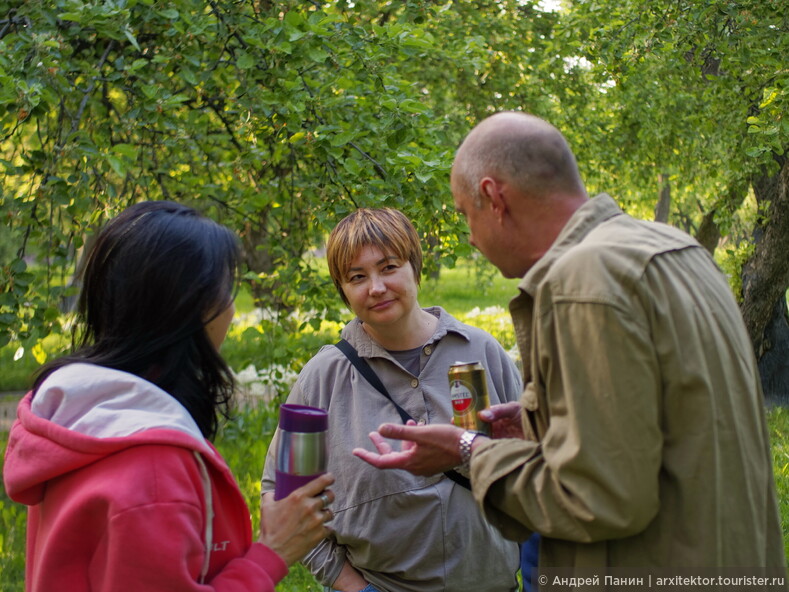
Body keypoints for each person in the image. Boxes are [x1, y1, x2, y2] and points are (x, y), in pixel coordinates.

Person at [353, 112, 786, 572]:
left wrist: (466, 449)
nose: (471, 239)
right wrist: (549, 420)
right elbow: (671, 412)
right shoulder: (674, 250)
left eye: (466, 215)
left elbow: (598, 498)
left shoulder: (582, 283)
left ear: (493, 198)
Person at [2, 201, 335, 591]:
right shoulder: (155, 471)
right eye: (226, 291)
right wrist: (273, 553)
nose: (230, 307)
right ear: (188, 308)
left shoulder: (76, 416)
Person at [261, 208, 522, 592]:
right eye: (357, 277)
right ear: (342, 289)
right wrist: (352, 586)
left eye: (388, 267)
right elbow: (279, 496)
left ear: (414, 267)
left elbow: (540, 464)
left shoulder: (481, 350)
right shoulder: (322, 378)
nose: (376, 287)